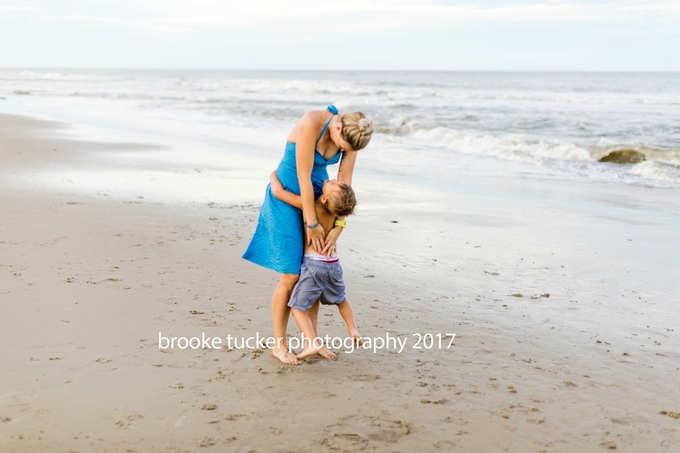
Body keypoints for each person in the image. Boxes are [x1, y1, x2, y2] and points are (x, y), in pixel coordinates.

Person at [242, 105, 373, 365]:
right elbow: (303, 176)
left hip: (322, 199)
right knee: (290, 275)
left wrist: (338, 227)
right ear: (337, 127)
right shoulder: (312, 122)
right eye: (342, 146)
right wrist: (311, 222)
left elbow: (345, 186)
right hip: (292, 195)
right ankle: (279, 345)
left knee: (309, 272)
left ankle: (311, 341)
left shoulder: (353, 137)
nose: (344, 151)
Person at [269, 172, 361, 360]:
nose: (332, 179)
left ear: (325, 199)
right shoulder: (338, 215)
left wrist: (273, 175)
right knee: (341, 299)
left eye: (333, 184)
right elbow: (342, 216)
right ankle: (352, 327)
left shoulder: (310, 206)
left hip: (313, 266)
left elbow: (278, 192)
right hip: (333, 264)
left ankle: (312, 342)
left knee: (296, 308)